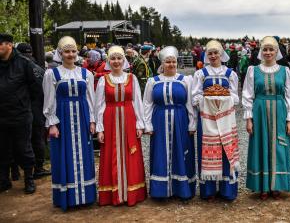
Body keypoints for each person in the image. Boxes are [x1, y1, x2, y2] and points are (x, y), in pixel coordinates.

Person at [43, 36, 96, 210]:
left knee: (84, 155)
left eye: (73, 51)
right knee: (63, 154)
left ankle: (86, 196)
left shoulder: (85, 73)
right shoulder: (52, 73)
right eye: (67, 51)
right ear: (60, 53)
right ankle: (67, 197)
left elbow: (90, 99)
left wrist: (92, 120)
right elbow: (50, 100)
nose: (71, 54)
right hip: (63, 119)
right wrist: (52, 123)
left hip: (82, 118)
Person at [242, 36, 290, 200]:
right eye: (265, 49)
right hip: (259, 111)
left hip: (279, 111)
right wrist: (249, 118)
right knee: (260, 145)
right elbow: (247, 95)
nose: (268, 52)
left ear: (276, 51)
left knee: (279, 145)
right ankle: (262, 185)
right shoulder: (253, 70)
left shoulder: (284, 70)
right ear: (260, 51)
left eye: (271, 49)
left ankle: (276, 185)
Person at [95, 46, 147, 206]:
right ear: (108, 61)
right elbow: (99, 105)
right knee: (112, 153)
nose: (116, 61)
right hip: (110, 120)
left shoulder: (132, 78)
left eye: (119, 58)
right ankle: (114, 193)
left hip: (129, 119)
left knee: (130, 153)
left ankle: (132, 192)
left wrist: (140, 123)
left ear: (124, 60)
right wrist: (100, 128)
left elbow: (137, 101)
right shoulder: (103, 80)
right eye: (113, 58)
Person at [143, 46, 197, 201]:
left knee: (181, 152)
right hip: (159, 120)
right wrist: (148, 124)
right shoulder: (153, 81)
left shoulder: (185, 80)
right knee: (160, 152)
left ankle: (181, 189)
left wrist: (192, 123)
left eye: (173, 61)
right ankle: (161, 190)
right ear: (162, 64)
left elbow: (190, 103)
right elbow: (147, 103)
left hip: (180, 120)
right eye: (168, 62)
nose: (171, 64)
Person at [192, 40, 240, 201]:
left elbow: (236, 97)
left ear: (221, 54)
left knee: (227, 152)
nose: (213, 56)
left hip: (226, 118)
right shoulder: (200, 74)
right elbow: (195, 97)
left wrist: (223, 98)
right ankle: (208, 190)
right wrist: (208, 100)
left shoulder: (230, 74)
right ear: (206, 55)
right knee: (208, 152)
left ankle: (227, 190)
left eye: (215, 53)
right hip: (207, 120)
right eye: (210, 53)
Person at [0, 34, 40, 194]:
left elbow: (35, 89)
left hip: (20, 114)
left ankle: (29, 179)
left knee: (23, 148)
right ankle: (4, 180)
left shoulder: (24, 63)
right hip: (1, 116)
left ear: (9, 45)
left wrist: (23, 103)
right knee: (2, 149)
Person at [16, 43, 51, 179]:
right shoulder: (37, 67)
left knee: (26, 140)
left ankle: (24, 170)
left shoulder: (19, 67)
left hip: (24, 108)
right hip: (37, 108)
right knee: (37, 139)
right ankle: (38, 167)